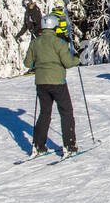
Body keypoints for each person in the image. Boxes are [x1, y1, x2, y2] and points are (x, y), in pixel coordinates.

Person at [24, 14, 81, 156]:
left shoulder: (35, 43)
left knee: (45, 113)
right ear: (55, 26)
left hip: (41, 82)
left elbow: (27, 63)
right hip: (57, 82)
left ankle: (39, 145)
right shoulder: (59, 42)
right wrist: (76, 60)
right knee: (66, 112)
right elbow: (68, 63)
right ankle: (69, 145)